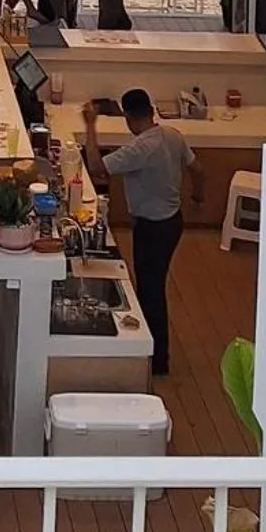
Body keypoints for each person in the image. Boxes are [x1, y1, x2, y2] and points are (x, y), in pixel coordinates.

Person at [81, 88, 202, 378]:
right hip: (173, 222)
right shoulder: (172, 135)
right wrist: (199, 198)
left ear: (128, 117)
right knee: (152, 285)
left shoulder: (140, 149)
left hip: (152, 228)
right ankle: (150, 351)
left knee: (151, 291)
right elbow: (198, 169)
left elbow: (97, 169)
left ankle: (157, 360)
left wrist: (90, 126)